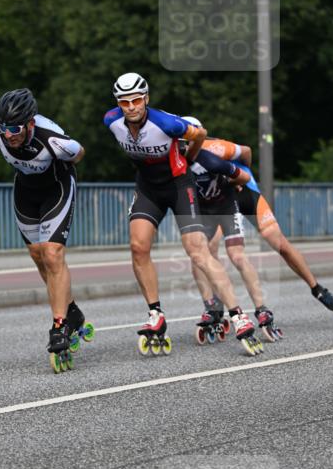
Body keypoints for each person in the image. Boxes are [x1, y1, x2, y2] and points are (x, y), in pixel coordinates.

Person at [103, 73, 262, 355]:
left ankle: (238, 315)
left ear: (146, 98)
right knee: (138, 247)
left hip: (179, 186)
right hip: (149, 189)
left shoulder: (166, 123)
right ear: (118, 103)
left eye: (136, 100)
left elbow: (199, 133)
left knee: (198, 252)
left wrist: (189, 157)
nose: (131, 107)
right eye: (124, 102)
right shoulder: (111, 121)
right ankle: (155, 313)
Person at [0, 88, 93, 371]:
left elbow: (79, 154)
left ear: (30, 124)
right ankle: (72, 311)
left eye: (15, 128)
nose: (8, 134)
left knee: (52, 253)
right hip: (26, 191)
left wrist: (64, 161)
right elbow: (5, 134)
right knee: (38, 256)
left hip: (57, 187)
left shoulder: (52, 139)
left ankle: (59, 325)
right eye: (5, 127)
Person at [196, 130, 333, 324]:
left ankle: (317, 288)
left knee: (279, 244)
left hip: (245, 192)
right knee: (208, 248)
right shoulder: (174, 155)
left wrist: (245, 173)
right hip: (222, 200)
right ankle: (215, 304)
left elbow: (246, 151)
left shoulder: (214, 146)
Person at [180, 126, 283, 341]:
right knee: (198, 256)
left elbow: (244, 177)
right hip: (204, 213)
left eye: (183, 144)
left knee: (237, 255)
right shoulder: (175, 166)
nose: (180, 148)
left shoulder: (211, 159)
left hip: (227, 208)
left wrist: (231, 183)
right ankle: (212, 307)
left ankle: (262, 309)